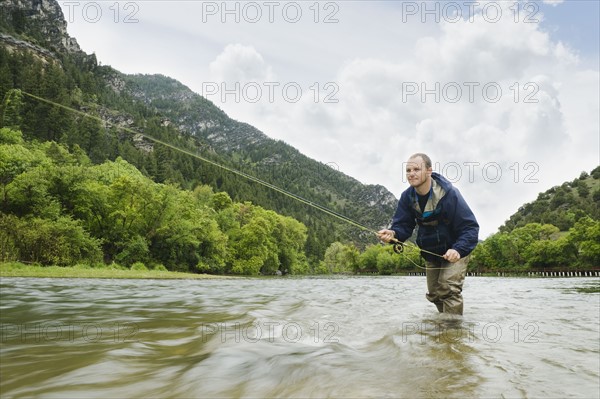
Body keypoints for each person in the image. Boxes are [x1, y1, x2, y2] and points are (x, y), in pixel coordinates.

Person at [377, 153, 479, 315]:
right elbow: (403, 226)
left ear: (429, 171)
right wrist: (392, 232)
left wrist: (458, 249)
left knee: (448, 289)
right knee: (435, 295)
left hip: (456, 250)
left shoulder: (450, 194)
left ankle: (452, 334)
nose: (411, 173)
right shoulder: (407, 197)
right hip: (431, 253)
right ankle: (443, 328)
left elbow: (470, 227)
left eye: (416, 169)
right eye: (408, 170)